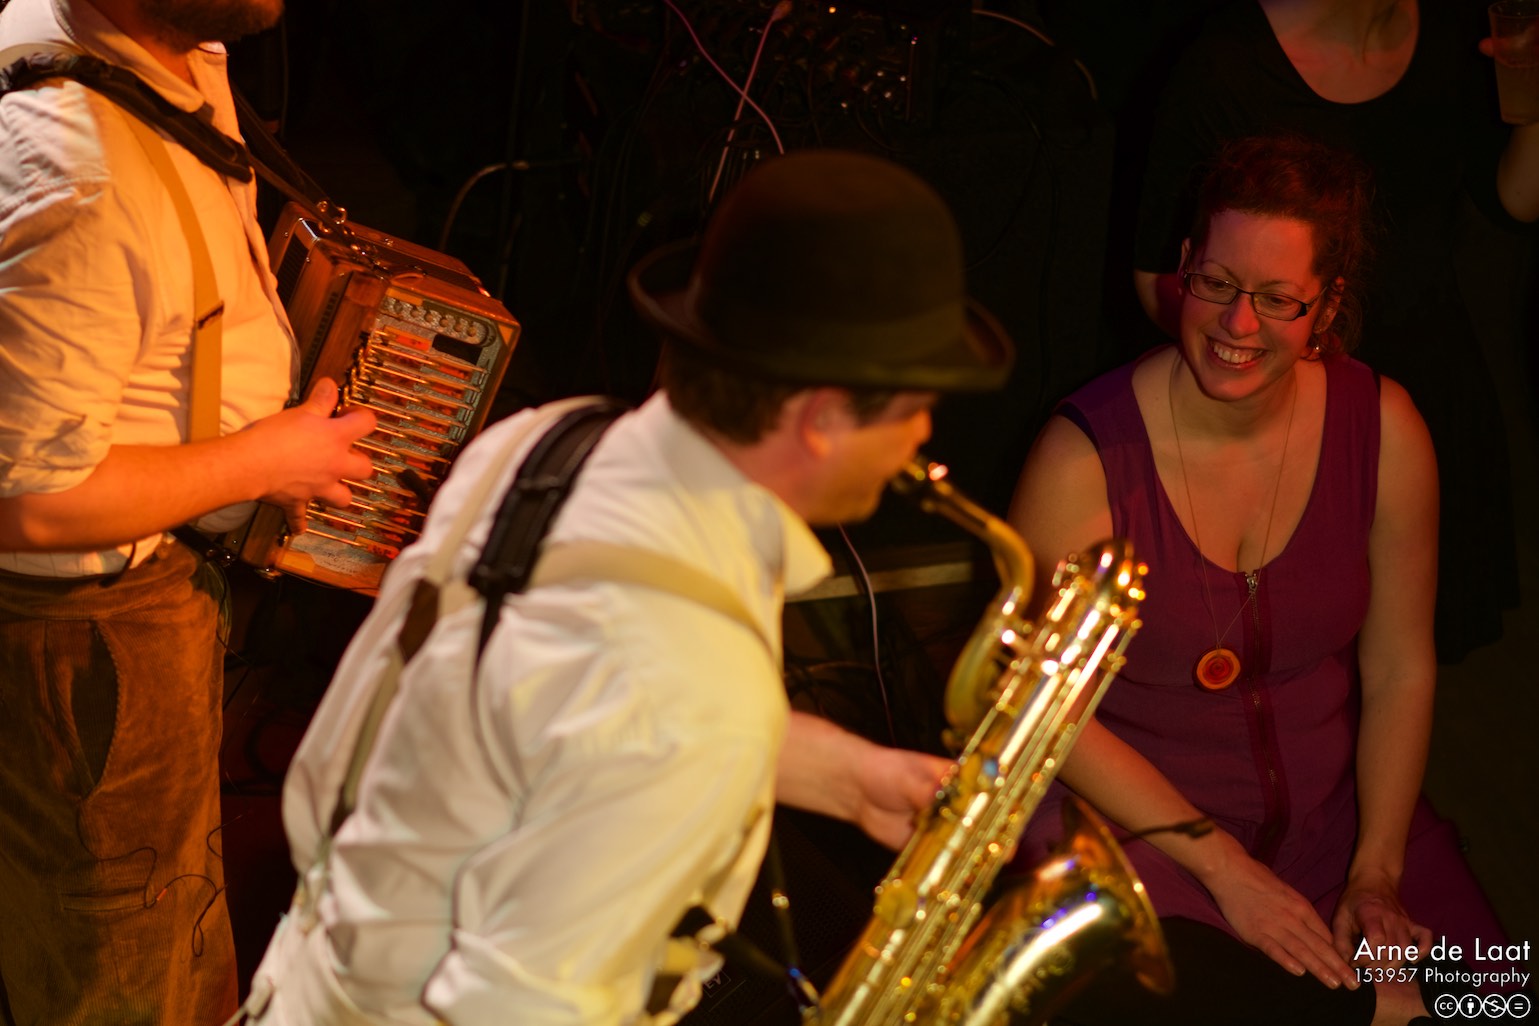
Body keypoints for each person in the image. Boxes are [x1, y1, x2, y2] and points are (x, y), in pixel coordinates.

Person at [239, 149, 1013, 1026]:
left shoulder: (548, 443)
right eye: (912, 404)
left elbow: (556, 711)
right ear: (823, 417)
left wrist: (846, 777)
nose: (923, 433)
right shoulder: (687, 687)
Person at [1007, 135, 1510, 1026]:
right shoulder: (1078, 459)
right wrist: (1223, 868)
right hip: (1135, 833)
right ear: (1182, 269)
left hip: (1336, 824)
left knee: (1492, 1004)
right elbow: (1047, 714)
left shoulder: (1385, 427)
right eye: (1217, 284)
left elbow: (1399, 667)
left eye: (1277, 299)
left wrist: (1376, 871)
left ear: (1327, 306)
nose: (1237, 325)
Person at [0, 0, 378, 1022]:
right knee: (124, 969)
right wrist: (264, 459)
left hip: (142, 607)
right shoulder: (80, 180)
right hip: (93, 641)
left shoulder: (170, 44)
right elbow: (25, 502)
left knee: (162, 924)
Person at [1130, 0, 1539, 663]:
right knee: (1270, 663)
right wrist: (1263, 368)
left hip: (1428, 383)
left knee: (1404, 659)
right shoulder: (1226, 64)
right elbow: (1158, 279)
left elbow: (1514, 201)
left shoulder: (1457, 33)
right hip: (1277, 410)